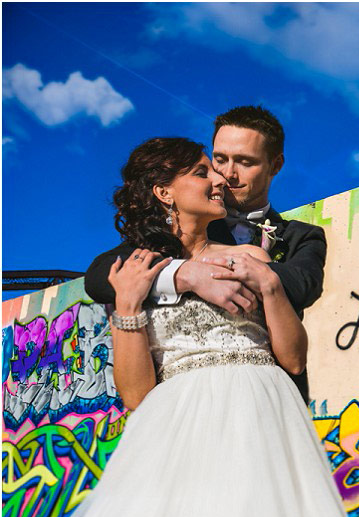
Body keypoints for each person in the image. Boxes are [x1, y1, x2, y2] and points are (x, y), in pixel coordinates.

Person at [35, 138, 359, 517]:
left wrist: (271, 287)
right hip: (174, 423)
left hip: (257, 409)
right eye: (201, 171)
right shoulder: (134, 273)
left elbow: (293, 357)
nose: (218, 179)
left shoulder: (252, 257)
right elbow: (135, 397)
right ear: (163, 192)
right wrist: (130, 304)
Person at [84, 105, 322, 402]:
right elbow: (99, 275)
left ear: (275, 165)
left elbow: (301, 285)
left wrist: (264, 278)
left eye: (245, 162)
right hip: (177, 410)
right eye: (219, 160)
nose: (225, 175)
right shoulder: (146, 262)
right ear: (164, 193)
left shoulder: (296, 238)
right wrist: (185, 273)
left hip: (262, 399)